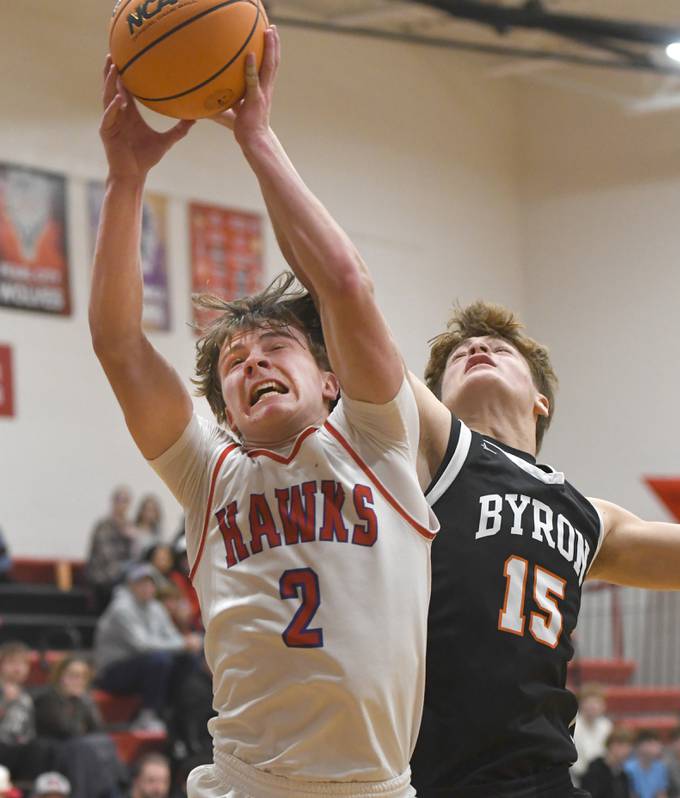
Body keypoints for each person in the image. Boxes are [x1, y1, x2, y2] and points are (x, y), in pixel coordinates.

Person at [90, 24, 435, 798]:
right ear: (229, 412)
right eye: (234, 363)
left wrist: (255, 136)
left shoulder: (378, 440)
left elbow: (344, 281)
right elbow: (118, 343)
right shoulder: (208, 472)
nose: (252, 363)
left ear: (330, 378)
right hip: (248, 785)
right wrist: (124, 179)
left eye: (275, 345)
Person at [354, 295, 680, 797]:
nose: (475, 347)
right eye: (458, 356)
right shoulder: (427, 457)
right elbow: (351, 311)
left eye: (499, 348)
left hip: (544, 777)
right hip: (429, 775)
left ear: (539, 400)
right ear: (434, 404)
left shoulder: (593, 517)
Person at [93, 564, 202, 733]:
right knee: (159, 660)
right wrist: (183, 643)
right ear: (130, 586)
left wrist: (188, 642)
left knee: (188, 659)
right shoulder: (121, 608)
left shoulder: (156, 607)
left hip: (141, 667)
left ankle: (175, 710)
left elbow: (171, 636)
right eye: (140, 583)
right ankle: (147, 716)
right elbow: (142, 645)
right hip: (112, 672)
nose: (146, 588)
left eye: (150, 583)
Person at [34, 655, 123, 798]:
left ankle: (115, 789)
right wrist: (79, 703)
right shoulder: (47, 699)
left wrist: (86, 703)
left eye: (82, 677)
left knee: (105, 742)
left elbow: (98, 729)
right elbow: (65, 729)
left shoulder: (83, 700)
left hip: (81, 750)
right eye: (73, 675)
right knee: (82, 748)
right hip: (55, 752)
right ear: (59, 676)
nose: (78, 681)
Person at [0, 641, 48, 781]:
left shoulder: (27, 695)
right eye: (12, 662)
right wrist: (6, 702)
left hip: (21, 749)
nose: (17, 668)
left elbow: (30, 729)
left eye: (22, 664)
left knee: (39, 747)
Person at [86, 487, 135, 612]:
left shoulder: (130, 527)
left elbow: (136, 555)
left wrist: (132, 539)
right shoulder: (103, 526)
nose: (122, 505)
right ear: (113, 502)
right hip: (103, 576)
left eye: (126, 501)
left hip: (122, 574)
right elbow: (106, 556)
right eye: (120, 500)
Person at [573, 684, 614, 784]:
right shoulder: (572, 726)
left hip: (602, 779)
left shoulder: (607, 726)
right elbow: (574, 762)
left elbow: (609, 756)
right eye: (588, 702)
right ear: (580, 704)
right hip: (577, 780)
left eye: (597, 702)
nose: (592, 706)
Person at [580, 727, 634, 798]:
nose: (628, 750)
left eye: (629, 746)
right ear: (612, 745)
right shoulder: (594, 771)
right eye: (624, 745)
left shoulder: (623, 776)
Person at [624, 730, 668, 798]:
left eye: (657, 743)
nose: (657, 747)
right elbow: (630, 794)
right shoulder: (628, 768)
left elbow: (661, 793)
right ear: (640, 745)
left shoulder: (660, 768)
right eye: (651, 743)